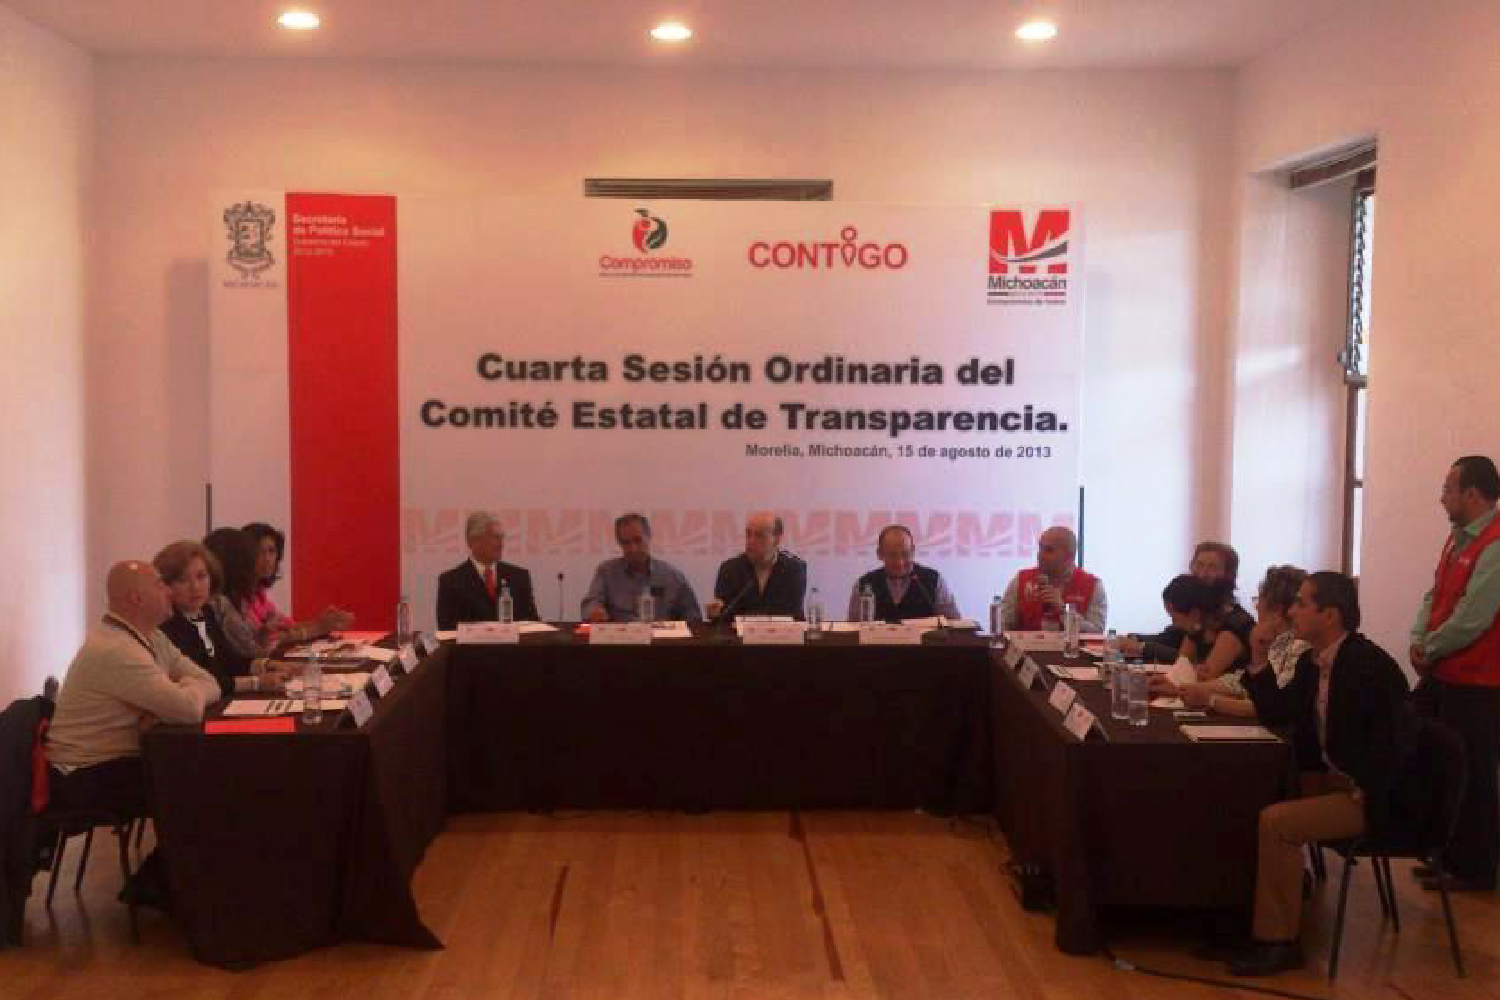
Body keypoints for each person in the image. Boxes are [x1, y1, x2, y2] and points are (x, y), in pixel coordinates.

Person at [1228, 572, 1415, 976]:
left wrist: (1362, 787)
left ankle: (1278, 941)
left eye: (1301, 603)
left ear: (1330, 615)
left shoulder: (1370, 665)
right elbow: (1277, 710)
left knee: (1276, 822)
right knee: (1245, 799)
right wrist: (1258, 656)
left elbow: (1399, 740)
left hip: (1372, 796)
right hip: (1334, 781)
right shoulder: (1314, 663)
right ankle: (1235, 919)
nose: (1291, 611)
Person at [44, 561, 222, 906]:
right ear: (137, 598)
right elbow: (188, 709)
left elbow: (209, 682)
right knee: (198, 779)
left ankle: (168, 882)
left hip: (111, 762)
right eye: (160, 584)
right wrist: (183, 694)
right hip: (82, 777)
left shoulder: (151, 637)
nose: (169, 591)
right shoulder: (116, 650)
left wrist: (181, 693)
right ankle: (161, 885)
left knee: (198, 772)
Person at [1410, 455, 1500, 891]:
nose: (1442, 497)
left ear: (1473, 494)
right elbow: (1434, 595)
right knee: (1438, 764)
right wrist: (1417, 637)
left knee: (1475, 773)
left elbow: (1474, 617)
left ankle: (1475, 868)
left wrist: (1429, 648)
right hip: (1444, 673)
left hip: (1479, 682)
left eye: (1449, 489)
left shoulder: (1495, 544)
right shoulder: (1457, 539)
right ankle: (1444, 853)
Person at [154, 540, 288, 697]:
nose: (195, 587)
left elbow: (227, 659)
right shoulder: (167, 625)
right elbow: (202, 679)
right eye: (183, 580)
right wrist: (256, 682)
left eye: (201, 577)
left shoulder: (206, 612)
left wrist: (268, 665)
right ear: (166, 586)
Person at [1172, 565, 1309, 715]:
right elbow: (1240, 682)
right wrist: (1187, 689)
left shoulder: (1297, 646)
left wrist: (1210, 700)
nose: (1256, 607)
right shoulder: (1279, 641)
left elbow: (1270, 706)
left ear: (1276, 609)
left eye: (1258, 599)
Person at [1126, 540, 1253, 661]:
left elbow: (1199, 665)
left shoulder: (1235, 621)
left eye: (1213, 567)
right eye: (1199, 565)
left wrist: (1140, 646)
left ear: (1229, 574)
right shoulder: (1199, 609)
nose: (1202, 574)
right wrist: (1134, 639)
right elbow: (1174, 639)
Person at [241, 521, 353, 644]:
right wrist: (318, 628)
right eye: (260, 551)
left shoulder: (259, 594)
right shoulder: (240, 597)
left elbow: (288, 627)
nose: (267, 558)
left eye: (271, 551)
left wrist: (324, 622)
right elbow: (266, 640)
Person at [580, 513, 702, 622]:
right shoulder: (606, 572)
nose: (633, 549)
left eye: (638, 540)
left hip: (661, 638)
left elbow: (693, 616)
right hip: (620, 637)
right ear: (619, 543)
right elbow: (591, 603)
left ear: (649, 537)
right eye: (626, 543)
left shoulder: (672, 576)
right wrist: (594, 612)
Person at [436, 512, 540, 629]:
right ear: (472, 541)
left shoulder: (519, 577)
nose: (500, 543)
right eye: (494, 537)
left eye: (501, 537)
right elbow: (446, 627)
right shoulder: (451, 581)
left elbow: (533, 624)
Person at [998, 526, 1105, 632]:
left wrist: (1063, 610)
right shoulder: (1022, 580)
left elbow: (1096, 632)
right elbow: (1002, 625)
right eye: (1040, 548)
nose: (1040, 555)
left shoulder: (1092, 586)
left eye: (1049, 550)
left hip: (1071, 644)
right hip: (1026, 643)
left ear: (1069, 557)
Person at [846, 525, 961, 621]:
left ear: (913, 551)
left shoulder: (934, 580)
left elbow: (954, 623)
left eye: (905, 554)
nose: (899, 562)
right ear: (879, 554)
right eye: (892, 555)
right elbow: (853, 630)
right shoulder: (863, 584)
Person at [708, 512, 807, 619]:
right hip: (736, 630)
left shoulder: (794, 569)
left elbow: (790, 613)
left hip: (782, 630)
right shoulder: (729, 569)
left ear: (777, 539)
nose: (751, 541)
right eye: (748, 534)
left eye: (759, 535)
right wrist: (715, 614)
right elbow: (723, 615)